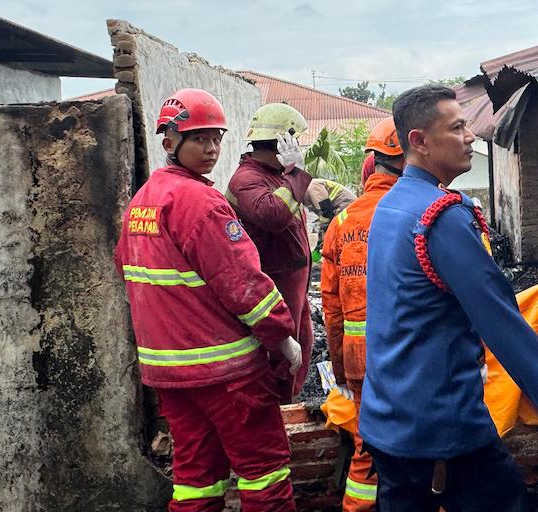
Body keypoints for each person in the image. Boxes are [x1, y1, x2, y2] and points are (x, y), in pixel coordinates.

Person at [360, 84, 538, 511]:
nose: (471, 136)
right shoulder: (440, 217)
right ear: (419, 141)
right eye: (458, 127)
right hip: (442, 430)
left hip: (388, 420)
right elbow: (501, 322)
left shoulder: (391, 208)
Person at [115, 88, 302, 511]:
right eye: (200, 138)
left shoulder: (142, 203)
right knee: (265, 474)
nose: (212, 148)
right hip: (226, 371)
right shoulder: (200, 202)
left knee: (197, 479)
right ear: (169, 143)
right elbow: (243, 284)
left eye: (217, 137)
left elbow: (126, 271)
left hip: (171, 374)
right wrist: (281, 336)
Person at [320, 117, 405, 511]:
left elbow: (332, 312)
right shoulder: (427, 212)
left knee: (366, 449)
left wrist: (339, 372)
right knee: (431, 453)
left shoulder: (341, 222)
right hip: (411, 359)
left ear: (370, 164)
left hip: (359, 359)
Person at [227, 103, 331, 402]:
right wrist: (295, 173)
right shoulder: (247, 179)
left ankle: (289, 401)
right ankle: (277, 407)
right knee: (279, 350)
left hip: (293, 276)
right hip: (274, 279)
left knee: (302, 343)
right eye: (294, 139)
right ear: (282, 142)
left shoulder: (273, 174)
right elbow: (274, 216)